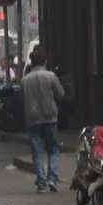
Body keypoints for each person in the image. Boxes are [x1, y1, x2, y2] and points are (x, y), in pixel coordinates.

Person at [22, 50, 65, 192]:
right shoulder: (51, 76)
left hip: (32, 119)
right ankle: (52, 178)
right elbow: (61, 94)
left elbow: (21, 98)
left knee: (37, 152)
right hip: (50, 117)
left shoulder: (25, 80)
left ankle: (41, 183)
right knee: (53, 149)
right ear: (45, 62)